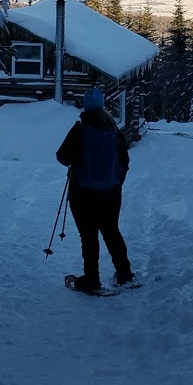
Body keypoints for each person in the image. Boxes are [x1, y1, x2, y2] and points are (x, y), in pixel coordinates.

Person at [55, 86, 134, 293]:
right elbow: (124, 161)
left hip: (83, 193)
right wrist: (116, 183)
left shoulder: (80, 129)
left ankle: (92, 279)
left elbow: (62, 157)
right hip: (110, 194)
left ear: (85, 107)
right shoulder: (113, 130)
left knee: (89, 237)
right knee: (111, 232)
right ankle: (125, 274)